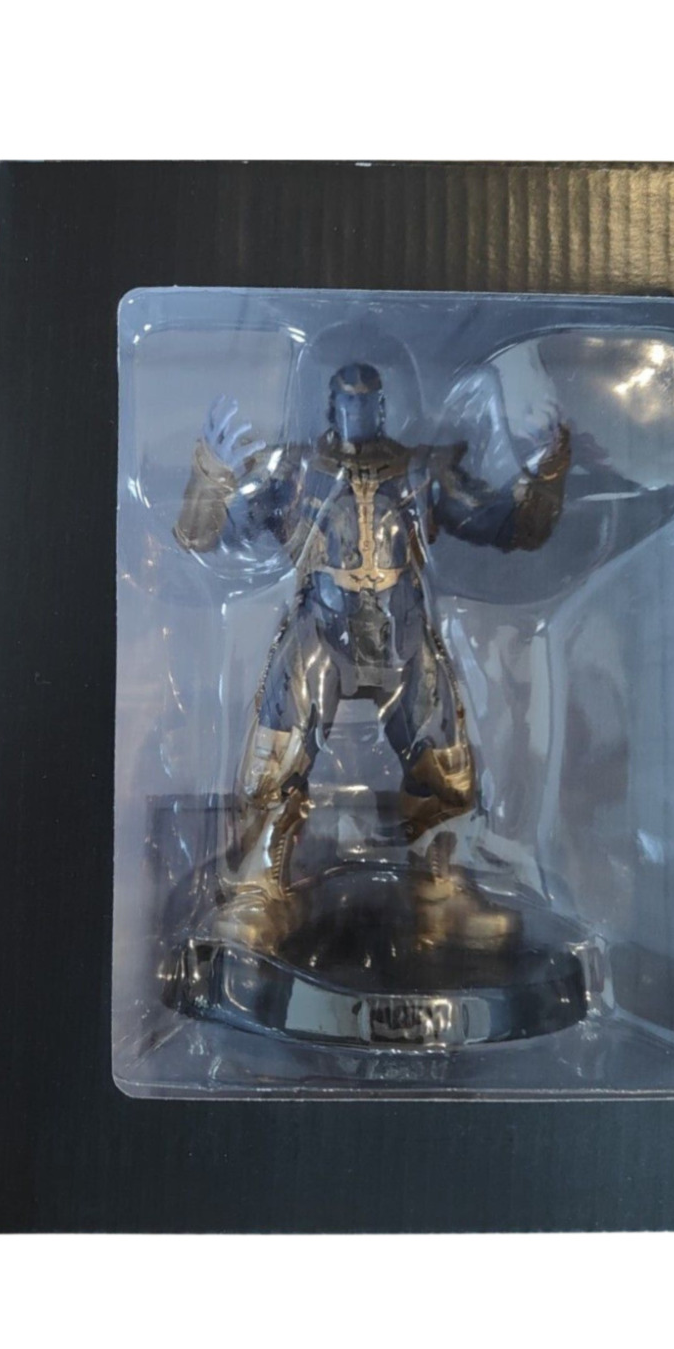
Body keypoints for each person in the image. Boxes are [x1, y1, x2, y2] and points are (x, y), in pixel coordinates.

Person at [175, 362, 570, 952]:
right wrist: (213, 473)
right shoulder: (297, 472)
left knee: (445, 762)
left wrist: (544, 472)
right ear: (330, 407)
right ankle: (255, 889)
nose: (358, 412)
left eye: (368, 402)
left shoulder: (420, 470)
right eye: (348, 401)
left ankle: (440, 889)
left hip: (401, 630)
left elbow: (509, 526)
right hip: (321, 629)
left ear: (383, 407)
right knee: (273, 759)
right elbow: (206, 535)